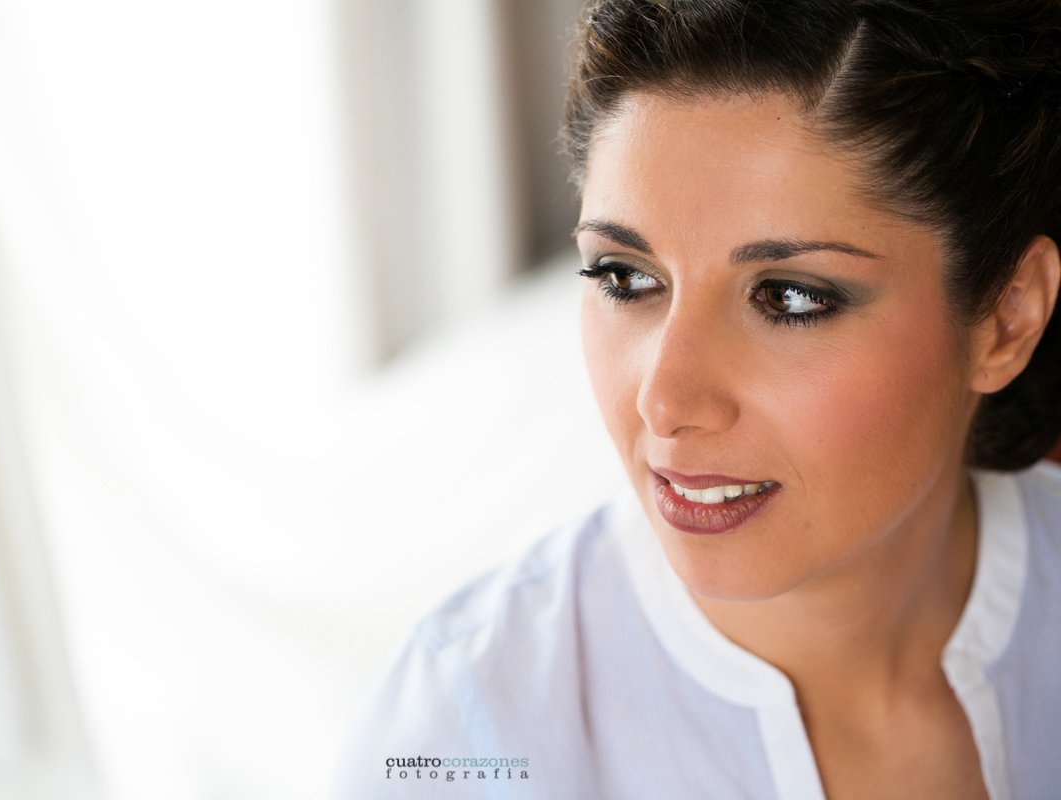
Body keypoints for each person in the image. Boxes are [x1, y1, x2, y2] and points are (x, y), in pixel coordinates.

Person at [330, 1, 1061, 797]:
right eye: (624, 278)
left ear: (1006, 318)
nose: (664, 400)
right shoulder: (466, 735)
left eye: (787, 297)